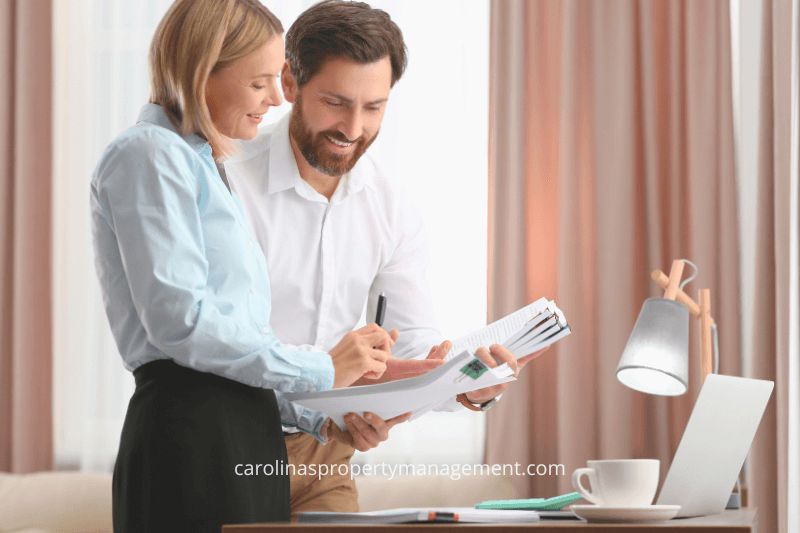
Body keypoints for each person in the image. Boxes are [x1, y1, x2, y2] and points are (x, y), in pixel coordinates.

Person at [224, 0, 548, 515]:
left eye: (373, 107)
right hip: (228, 448)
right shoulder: (226, 180)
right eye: (336, 102)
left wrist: (468, 387)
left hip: (327, 456)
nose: (353, 128)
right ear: (290, 82)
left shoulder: (391, 208)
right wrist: (331, 392)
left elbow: (416, 345)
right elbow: (218, 347)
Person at [90, 1, 401, 531]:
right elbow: (181, 324)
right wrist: (325, 367)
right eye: (260, 82)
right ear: (202, 70)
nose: (277, 98)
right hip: (193, 441)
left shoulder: (204, 165)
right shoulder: (150, 154)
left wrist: (322, 421)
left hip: (238, 433)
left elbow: (233, 348)